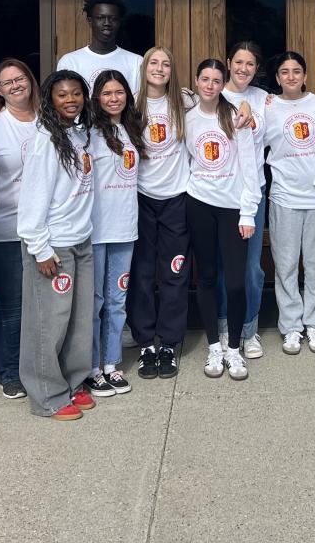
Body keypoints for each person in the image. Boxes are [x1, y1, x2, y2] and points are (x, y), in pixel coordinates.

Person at [16, 70, 99, 421]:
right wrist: (40, 248)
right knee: (48, 324)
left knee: (79, 321)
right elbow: (32, 199)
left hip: (81, 239)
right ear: (50, 99)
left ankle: (72, 382)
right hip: (53, 246)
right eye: (62, 94)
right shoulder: (45, 141)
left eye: (76, 93)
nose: (70, 100)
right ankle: (47, 395)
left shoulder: (78, 135)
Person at [185, 58, 261, 381]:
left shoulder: (235, 116)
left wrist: (248, 211)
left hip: (232, 208)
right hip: (199, 203)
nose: (210, 85)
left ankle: (234, 349)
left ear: (222, 83)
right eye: (205, 79)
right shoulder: (187, 118)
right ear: (197, 81)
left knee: (235, 281)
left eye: (217, 80)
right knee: (206, 277)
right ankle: (214, 346)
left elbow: (249, 166)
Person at [0, 58, 40, 400]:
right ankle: (11, 371)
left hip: (46, 230)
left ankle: (39, 366)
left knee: (43, 305)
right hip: (6, 231)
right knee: (12, 307)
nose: (16, 85)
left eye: (20, 78)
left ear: (30, 80)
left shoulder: (48, 119)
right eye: (8, 82)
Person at [129, 47, 192, 381]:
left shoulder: (185, 102)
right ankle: (145, 343)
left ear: (172, 70)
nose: (159, 68)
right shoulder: (131, 103)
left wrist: (246, 105)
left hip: (176, 199)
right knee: (141, 273)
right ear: (144, 68)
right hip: (140, 198)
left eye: (166, 63)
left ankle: (168, 343)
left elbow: (221, 101)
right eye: (153, 62)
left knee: (174, 272)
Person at [85, 70, 145, 397]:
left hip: (125, 227)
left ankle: (112, 363)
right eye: (107, 93)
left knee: (117, 300)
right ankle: (92, 368)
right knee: (95, 301)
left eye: (119, 92)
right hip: (96, 229)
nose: (113, 98)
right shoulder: (88, 132)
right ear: (97, 97)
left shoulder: (132, 128)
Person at [264, 51, 315, 355]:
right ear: (277, 78)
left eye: (296, 71)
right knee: (286, 265)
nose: (291, 76)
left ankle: (314, 323)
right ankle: (291, 326)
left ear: (305, 75)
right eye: (284, 72)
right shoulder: (267, 107)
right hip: (284, 196)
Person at [219, 41, 269, 359]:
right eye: (238, 62)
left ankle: (249, 329)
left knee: (251, 267)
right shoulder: (213, 93)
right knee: (224, 265)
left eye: (250, 64)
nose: (243, 69)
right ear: (228, 63)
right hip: (222, 194)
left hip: (254, 191)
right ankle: (225, 326)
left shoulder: (264, 98)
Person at [57, 0, 144, 97]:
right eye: (100, 18)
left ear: (119, 22)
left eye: (113, 18)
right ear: (90, 21)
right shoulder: (70, 62)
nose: (107, 23)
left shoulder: (136, 62)